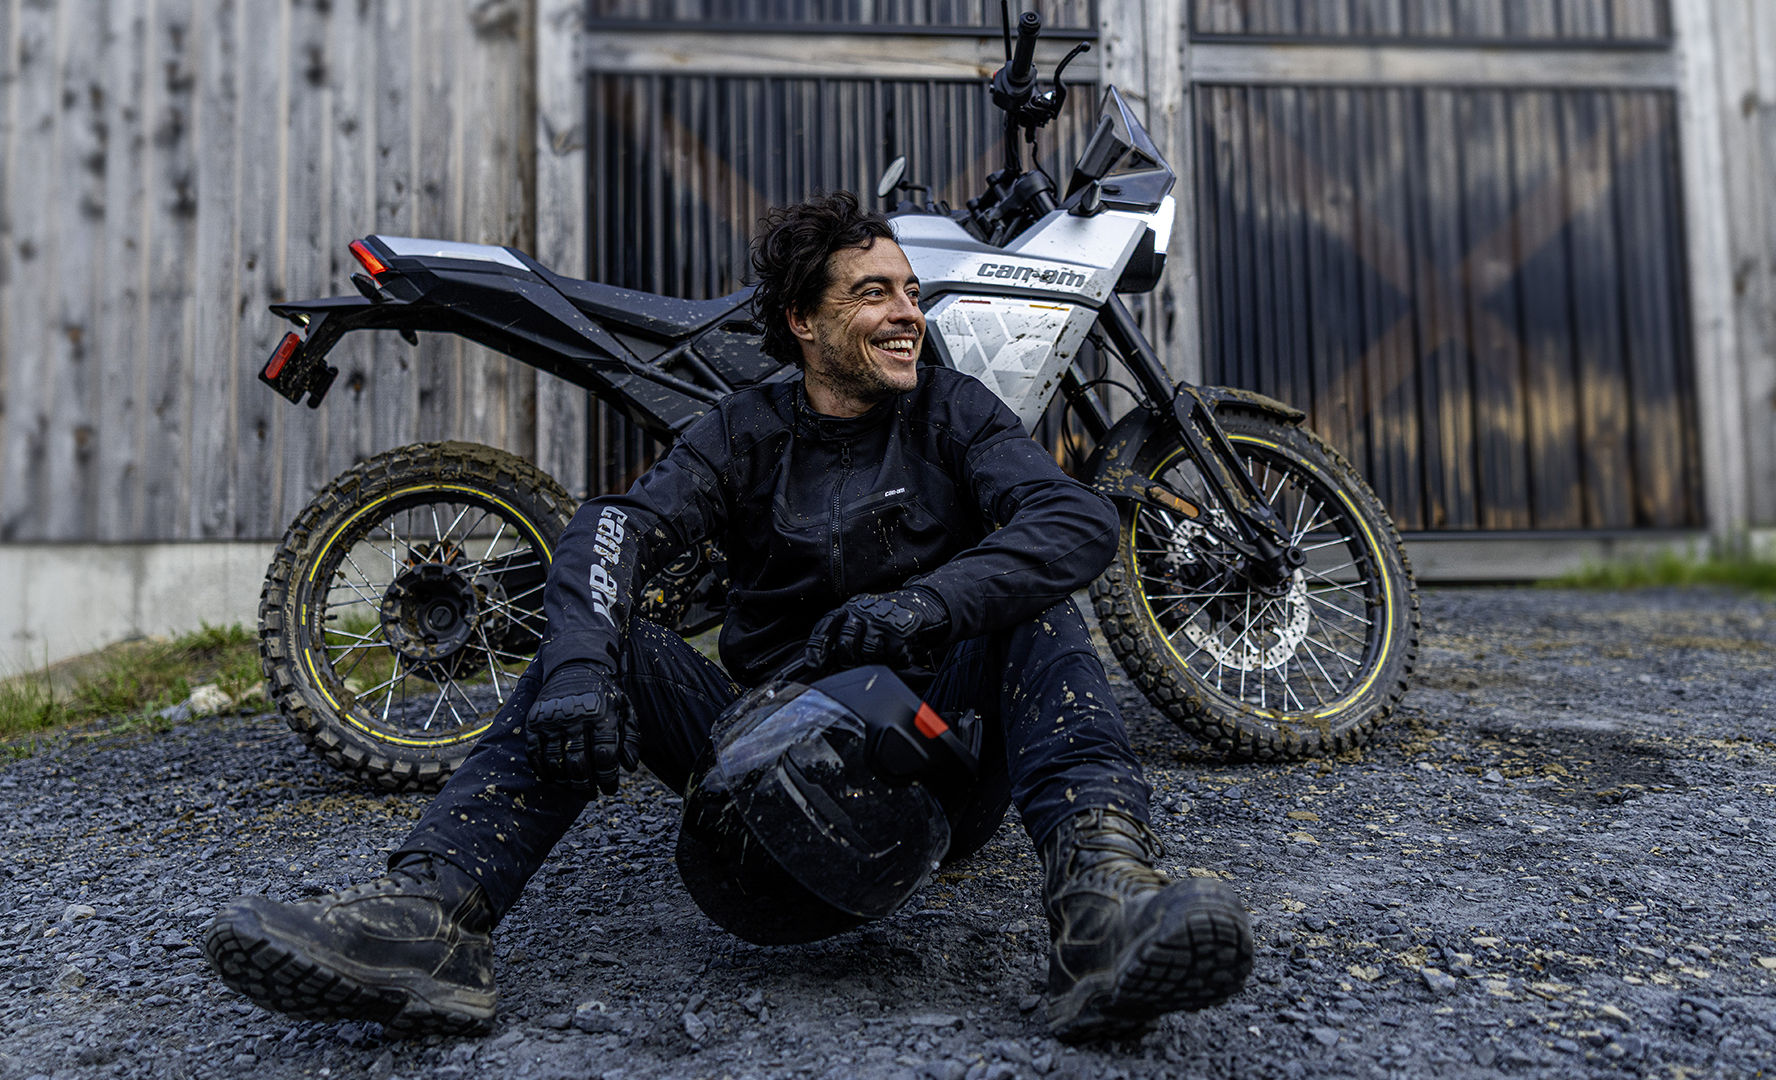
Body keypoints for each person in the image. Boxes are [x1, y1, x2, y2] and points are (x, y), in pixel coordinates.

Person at [204, 191, 1254, 1042]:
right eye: (873, 294)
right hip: (758, 756)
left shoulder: (954, 409)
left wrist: (924, 606)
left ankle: (1101, 906)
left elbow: (1070, 521)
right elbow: (611, 528)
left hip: (929, 760)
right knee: (603, 635)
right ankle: (431, 924)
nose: (908, 313)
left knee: (1035, 608)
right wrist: (577, 668)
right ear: (804, 322)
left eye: (912, 292)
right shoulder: (741, 431)